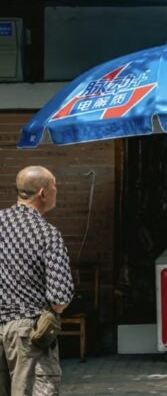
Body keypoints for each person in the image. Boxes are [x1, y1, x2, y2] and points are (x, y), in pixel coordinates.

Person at [0, 167, 74, 396]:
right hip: (29, 334)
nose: (57, 191)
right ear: (42, 193)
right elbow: (59, 299)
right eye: (54, 186)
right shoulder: (47, 234)